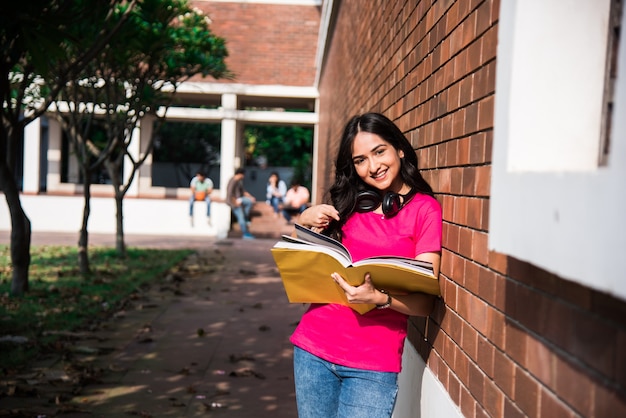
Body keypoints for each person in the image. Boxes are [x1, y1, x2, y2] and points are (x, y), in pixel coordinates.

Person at [290, 112, 442, 418]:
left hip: (372, 365)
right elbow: (304, 261)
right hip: (313, 348)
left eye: (379, 151)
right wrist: (301, 222)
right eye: (360, 160)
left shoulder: (425, 210)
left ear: (399, 148)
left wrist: (380, 299)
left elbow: (426, 302)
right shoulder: (350, 203)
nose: (372, 167)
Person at [226, 168, 257, 239]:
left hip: (239, 200)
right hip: (233, 202)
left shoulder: (238, 182)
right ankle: (245, 233)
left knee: (249, 202)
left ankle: (246, 217)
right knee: (241, 217)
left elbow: (243, 192)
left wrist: (251, 197)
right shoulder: (232, 181)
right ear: (240, 174)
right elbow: (230, 194)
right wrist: (235, 203)